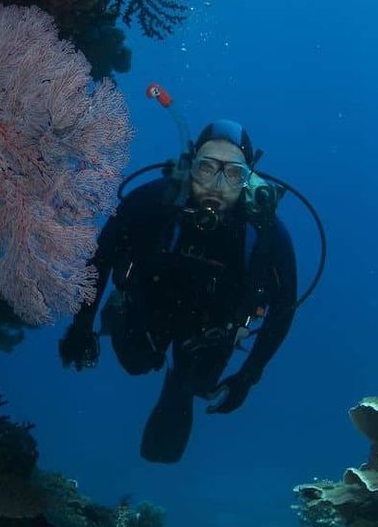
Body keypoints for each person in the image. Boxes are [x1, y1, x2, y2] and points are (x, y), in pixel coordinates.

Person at [59, 119, 298, 463]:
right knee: (135, 362)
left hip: (210, 333)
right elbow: (102, 258)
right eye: (206, 169)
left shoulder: (267, 235)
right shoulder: (152, 203)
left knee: (193, 385)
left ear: (249, 179)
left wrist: (248, 376)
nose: (216, 185)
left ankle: (179, 386)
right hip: (145, 311)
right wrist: (81, 325)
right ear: (190, 166)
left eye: (232, 174)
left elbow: (284, 308)